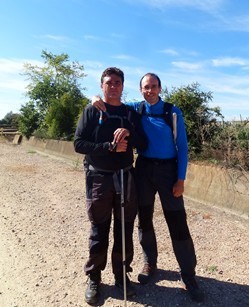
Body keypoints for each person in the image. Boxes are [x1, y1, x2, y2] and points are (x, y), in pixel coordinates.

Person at [92, 72, 204, 302]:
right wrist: (93, 98)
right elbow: (112, 102)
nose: (150, 90)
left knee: (177, 222)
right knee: (144, 219)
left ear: (160, 88)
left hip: (168, 170)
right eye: (145, 87)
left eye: (154, 86)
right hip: (142, 170)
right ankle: (149, 263)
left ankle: (188, 274)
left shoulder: (172, 112)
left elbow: (182, 147)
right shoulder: (136, 109)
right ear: (140, 90)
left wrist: (180, 179)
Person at [74, 67, 147, 305]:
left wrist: (129, 132)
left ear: (123, 86)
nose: (113, 86)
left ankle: (121, 275)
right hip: (99, 178)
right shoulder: (92, 110)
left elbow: (142, 141)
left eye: (117, 82)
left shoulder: (129, 112)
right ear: (101, 85)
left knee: (124, 230)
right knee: (99, 228)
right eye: (109, 82)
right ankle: (94, 277)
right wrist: (108, 147)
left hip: (126, 177)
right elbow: (79, 143)